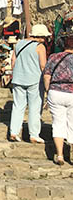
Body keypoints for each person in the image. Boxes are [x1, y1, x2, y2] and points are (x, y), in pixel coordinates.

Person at [8, 24, 50, 143]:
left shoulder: (19, 43)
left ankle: (14, 132)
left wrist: (15, 73)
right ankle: (34, 134)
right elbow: (43, 65)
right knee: (35, 108)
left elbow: (13, 61)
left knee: (18, 106)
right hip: (34, 80)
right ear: (41, 36)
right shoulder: (40, 47)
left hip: (18, 78)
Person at [44, 34, 73, 165]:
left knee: (58, 123)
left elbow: (46, 75)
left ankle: (60, 155)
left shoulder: (54, 57)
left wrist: (47, 90)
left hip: (56, 91)